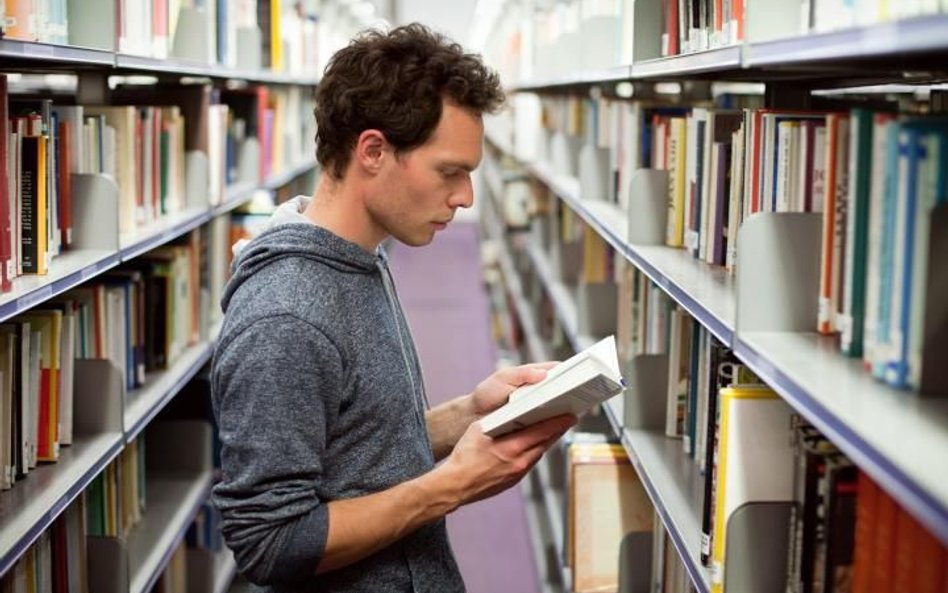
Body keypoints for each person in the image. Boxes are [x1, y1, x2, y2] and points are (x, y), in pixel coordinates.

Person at [210, 23, 576, 593]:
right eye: (449, 171)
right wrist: (451, 486)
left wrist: (470, 412)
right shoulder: (285, 319)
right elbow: (270, 541)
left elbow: (354, 450)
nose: (465, 197)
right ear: (374, 151)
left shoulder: (360, 257)